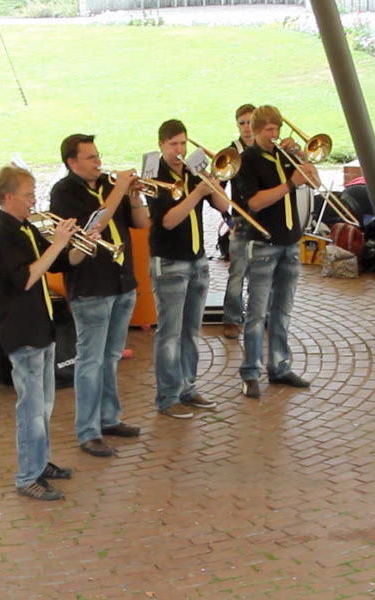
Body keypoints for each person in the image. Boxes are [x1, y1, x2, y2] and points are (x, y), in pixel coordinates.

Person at [0, 165, 86, 500]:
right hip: (21, 330)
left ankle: (39, 462)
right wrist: (57, 244)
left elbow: (58, 263)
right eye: (28, 195)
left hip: (41, 327)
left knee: (44, 405)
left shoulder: (27, 227)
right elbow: (26, 278)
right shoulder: (1, 234)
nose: (34, 200)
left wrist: (80, 246)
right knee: (30, 409)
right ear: (8, 197)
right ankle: (27, 476)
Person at [49, 134, 148, 457]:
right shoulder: (64, 193)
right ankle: (88, 431)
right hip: (91, 288)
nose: (98, 162)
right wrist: (119, 190)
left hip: (122, 282)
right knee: (90, 361)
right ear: (72, 162)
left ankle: (109, 418)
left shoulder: (109, 185)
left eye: (98, 155)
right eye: (90, 157)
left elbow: (140, 222)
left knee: (111, 357)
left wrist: (134, 195)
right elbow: (97, 223)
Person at [147, 119, 232, 418]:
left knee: (191, 331)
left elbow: (223, 207)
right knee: (169, 334)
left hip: (198, 260)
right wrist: (196, 193)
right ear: (161, 145)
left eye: (183, 143)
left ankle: (188, 388)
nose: (179, 150)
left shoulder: (192, 171)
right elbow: (168, 221)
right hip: (170, 261)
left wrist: (212, 183)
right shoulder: (154, 176)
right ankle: (168, 397)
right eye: (173, 144)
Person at [235, 105, 314, 398]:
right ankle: (250, 372)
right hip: (263, 244)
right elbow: (254, 203)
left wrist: (301, 157)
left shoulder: (283, 155)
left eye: (277, 129)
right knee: (257, 313)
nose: (274, 135)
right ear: (256, 131)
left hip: (290, 242)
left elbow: (314, 181)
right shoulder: (247, 160)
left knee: (282, 310)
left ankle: (280, 367)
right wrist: (290, 183)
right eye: (269, 130)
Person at [222, 103, 255, 340]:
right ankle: (231, 319)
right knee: (237, 271)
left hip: (265, 219)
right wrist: (227, 218)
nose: (246, 127)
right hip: (241, 220)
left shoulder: (267, 148)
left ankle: (259, 316)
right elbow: (218, 188)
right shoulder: (231, 152)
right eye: (242, 123)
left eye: (250, 122)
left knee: (262, 272)